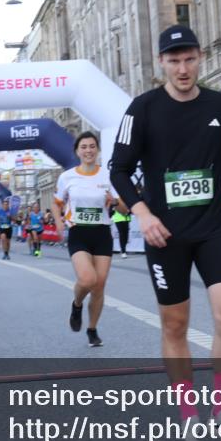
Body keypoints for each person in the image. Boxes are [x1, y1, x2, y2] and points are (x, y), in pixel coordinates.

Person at [110, 24, 221, 441]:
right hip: (164, 233)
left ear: (200, 57)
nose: (183, 68)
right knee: (175, 325)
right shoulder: (142, 109)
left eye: (189, 59)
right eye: (174, 61)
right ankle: (189, 419)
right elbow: (118, 169)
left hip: (213, 228)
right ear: (162, 64)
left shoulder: (219, 105)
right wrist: (143, 214)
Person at [53, 132, 122, 348]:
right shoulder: (67, 177)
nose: (88, 150)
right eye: (84, 147)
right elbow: (57, 203)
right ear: (77, 151)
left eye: (92, 146)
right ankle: (76, 304)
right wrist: (58, 222)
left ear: (98, 150)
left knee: (99, 286)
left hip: (101, 233)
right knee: (87, 279)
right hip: (79, 233)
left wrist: (115, 202)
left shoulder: (108, 176)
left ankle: (92, 330)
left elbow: (124, 208)